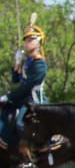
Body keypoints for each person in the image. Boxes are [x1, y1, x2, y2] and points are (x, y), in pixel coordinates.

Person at [0, 20, 49, 160]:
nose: (27, 42)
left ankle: (31, 155)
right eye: (26, 39)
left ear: (39, 42)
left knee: (21, 123)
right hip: (23, 99)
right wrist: (17, 64)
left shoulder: (40, 64)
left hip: (34, 100)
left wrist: (8, 96)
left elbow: (27, 86)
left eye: (31, 39)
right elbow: (16, 80)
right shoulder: (28, 62)